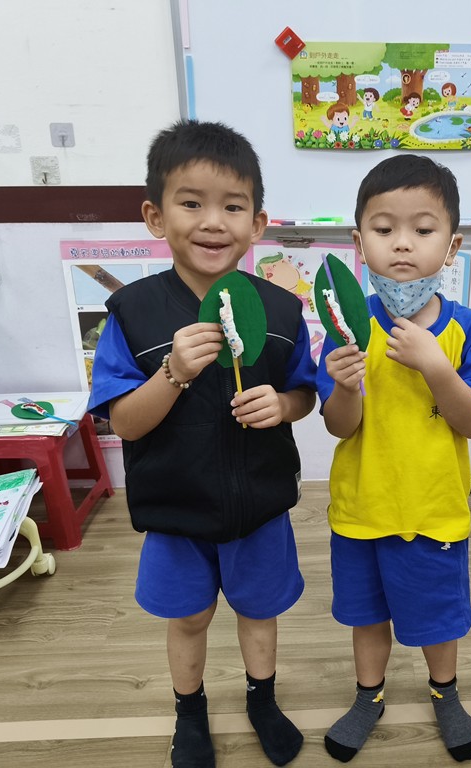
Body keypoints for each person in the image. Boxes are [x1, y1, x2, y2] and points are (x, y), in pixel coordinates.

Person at [88, 119, 317, 768]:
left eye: (233, 207)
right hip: (176, 510)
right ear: (156, 218)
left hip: (259, 507)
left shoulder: (281, 312)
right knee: (187, 618)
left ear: (258, 223)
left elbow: (305, 393)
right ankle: (189, 711)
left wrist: (284, 405)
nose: (213, 222)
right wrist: (172, 373)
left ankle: (262, 698)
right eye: (191, 203)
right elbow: (124, 424)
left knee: (259, 611)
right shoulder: (133, 314)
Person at [317, 155, 471, 763]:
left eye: (423, 229)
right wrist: (345, 386)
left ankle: (445, 692)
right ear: (358, 241)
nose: (402, 244)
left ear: (452, 245)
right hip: (362, 509)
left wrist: (436, 366)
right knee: (366, 616)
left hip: (433, 510)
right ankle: (368, 697)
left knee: (438, 618)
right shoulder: (345, 327)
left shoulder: (467, 330)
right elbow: (339, 427)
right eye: (383, 228)